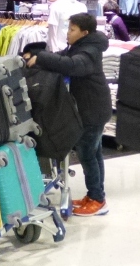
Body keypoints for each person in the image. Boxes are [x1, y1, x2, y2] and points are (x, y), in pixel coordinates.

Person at [24, 13, 111, 216]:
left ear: (84, 32)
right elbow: (62, 57)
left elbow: (72, 65)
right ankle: (95, 195)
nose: (68, 33)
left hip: (93, 110)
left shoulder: (89, 51)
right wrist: (35, 54)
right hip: (92, 107)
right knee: (94, 153)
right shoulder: (80, 46)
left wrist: (41, 58)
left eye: (72, 30)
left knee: (87, 154)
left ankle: (98, 200)